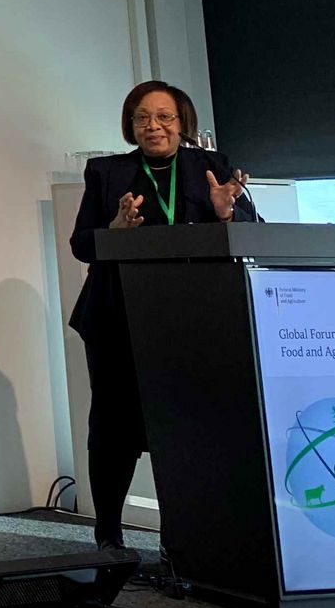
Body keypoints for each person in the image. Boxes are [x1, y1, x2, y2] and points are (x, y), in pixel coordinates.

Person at [69, 80, 256, 551]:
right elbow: (80, 244)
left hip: (197, 321)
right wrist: (113, 230)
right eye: (142, 118)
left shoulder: (210, 166)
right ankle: (108, 531)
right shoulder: (108, 173)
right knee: (114, 427)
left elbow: (253, 232)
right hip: (118, 319)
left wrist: (226, 214)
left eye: (164, 117)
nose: (153, 126)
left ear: (182, 122)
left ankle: (185, 537)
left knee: (189, 427)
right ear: (130, 127)